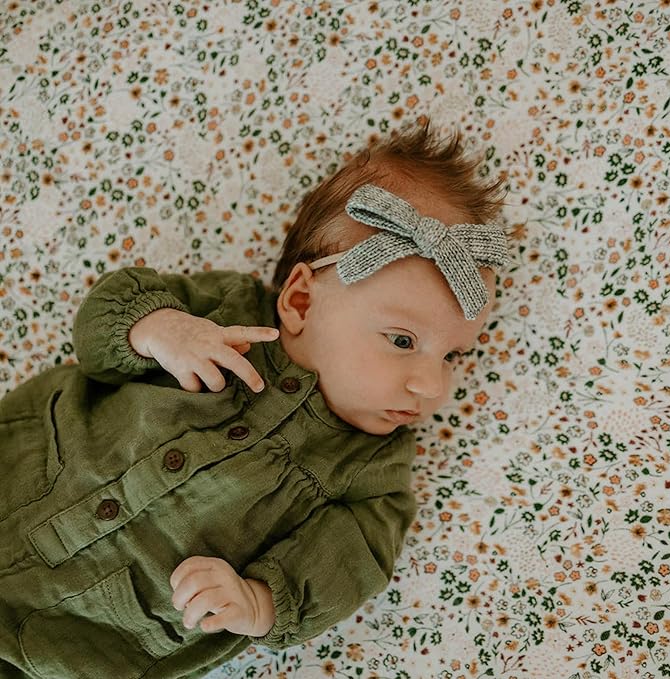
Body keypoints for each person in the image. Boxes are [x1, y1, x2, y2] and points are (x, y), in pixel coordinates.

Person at [0, 120, 509, 679]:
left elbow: (355, 561)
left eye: (452, 355)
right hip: (26, 473)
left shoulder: (373, 471)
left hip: (83, 635)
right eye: (403, 341)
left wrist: (259, 601)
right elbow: (103, 324)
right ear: (300, 300)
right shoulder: (226, 309)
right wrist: (158, 329)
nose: (432, 386)